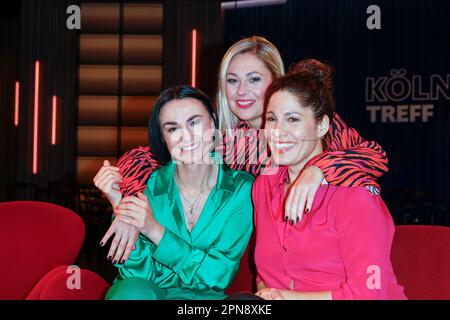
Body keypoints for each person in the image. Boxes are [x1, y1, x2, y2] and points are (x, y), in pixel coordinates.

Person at [94, 36, 389, 267]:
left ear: (276, 80)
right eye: (232, 81)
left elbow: (375, 155)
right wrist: (129, 207)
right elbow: (144, 157)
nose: (241, 91)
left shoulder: (311, 122)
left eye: (254, 79)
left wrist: (318, 169)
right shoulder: (229, 142)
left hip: (334, 254)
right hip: (258, 261)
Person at [252, 59, 406, 300]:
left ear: (322, 125)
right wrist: (266, 294)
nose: (277, 131)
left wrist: (287, 298)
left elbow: (370, 293)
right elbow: (266, 274)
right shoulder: (264, 186)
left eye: (292, 119)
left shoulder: (355, 196)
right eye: (271, 119)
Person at [104, 85, 254, 300]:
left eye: (194, 123)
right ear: (163, 138)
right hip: (152, 295)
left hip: (206, 301)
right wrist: (120, 206)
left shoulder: (241, 188)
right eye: (172, 128)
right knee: (131, 291)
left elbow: (218, 275)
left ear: (212, 122)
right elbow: (135, 273)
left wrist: (154, 230)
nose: (186, 136)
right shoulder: (146, 186)